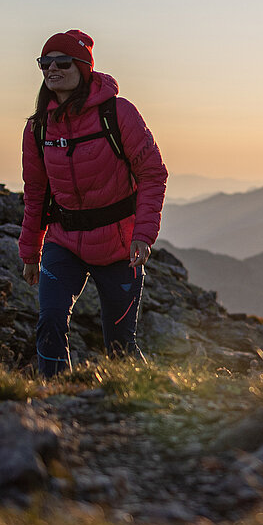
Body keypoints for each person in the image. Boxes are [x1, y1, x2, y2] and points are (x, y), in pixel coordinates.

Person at [18, 30, 168, 377]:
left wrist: (143, 235)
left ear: (83, 67)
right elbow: (36, 192)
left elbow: (152, 174)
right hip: (63, 242)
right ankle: (54, 401)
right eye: (45, 63)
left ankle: (142, 401)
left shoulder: (118, 114)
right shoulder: (39, 128)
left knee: (119, 344)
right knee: (50, 320)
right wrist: (30, 252)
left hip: (118, 246)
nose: (52, 69)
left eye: (62, 62)